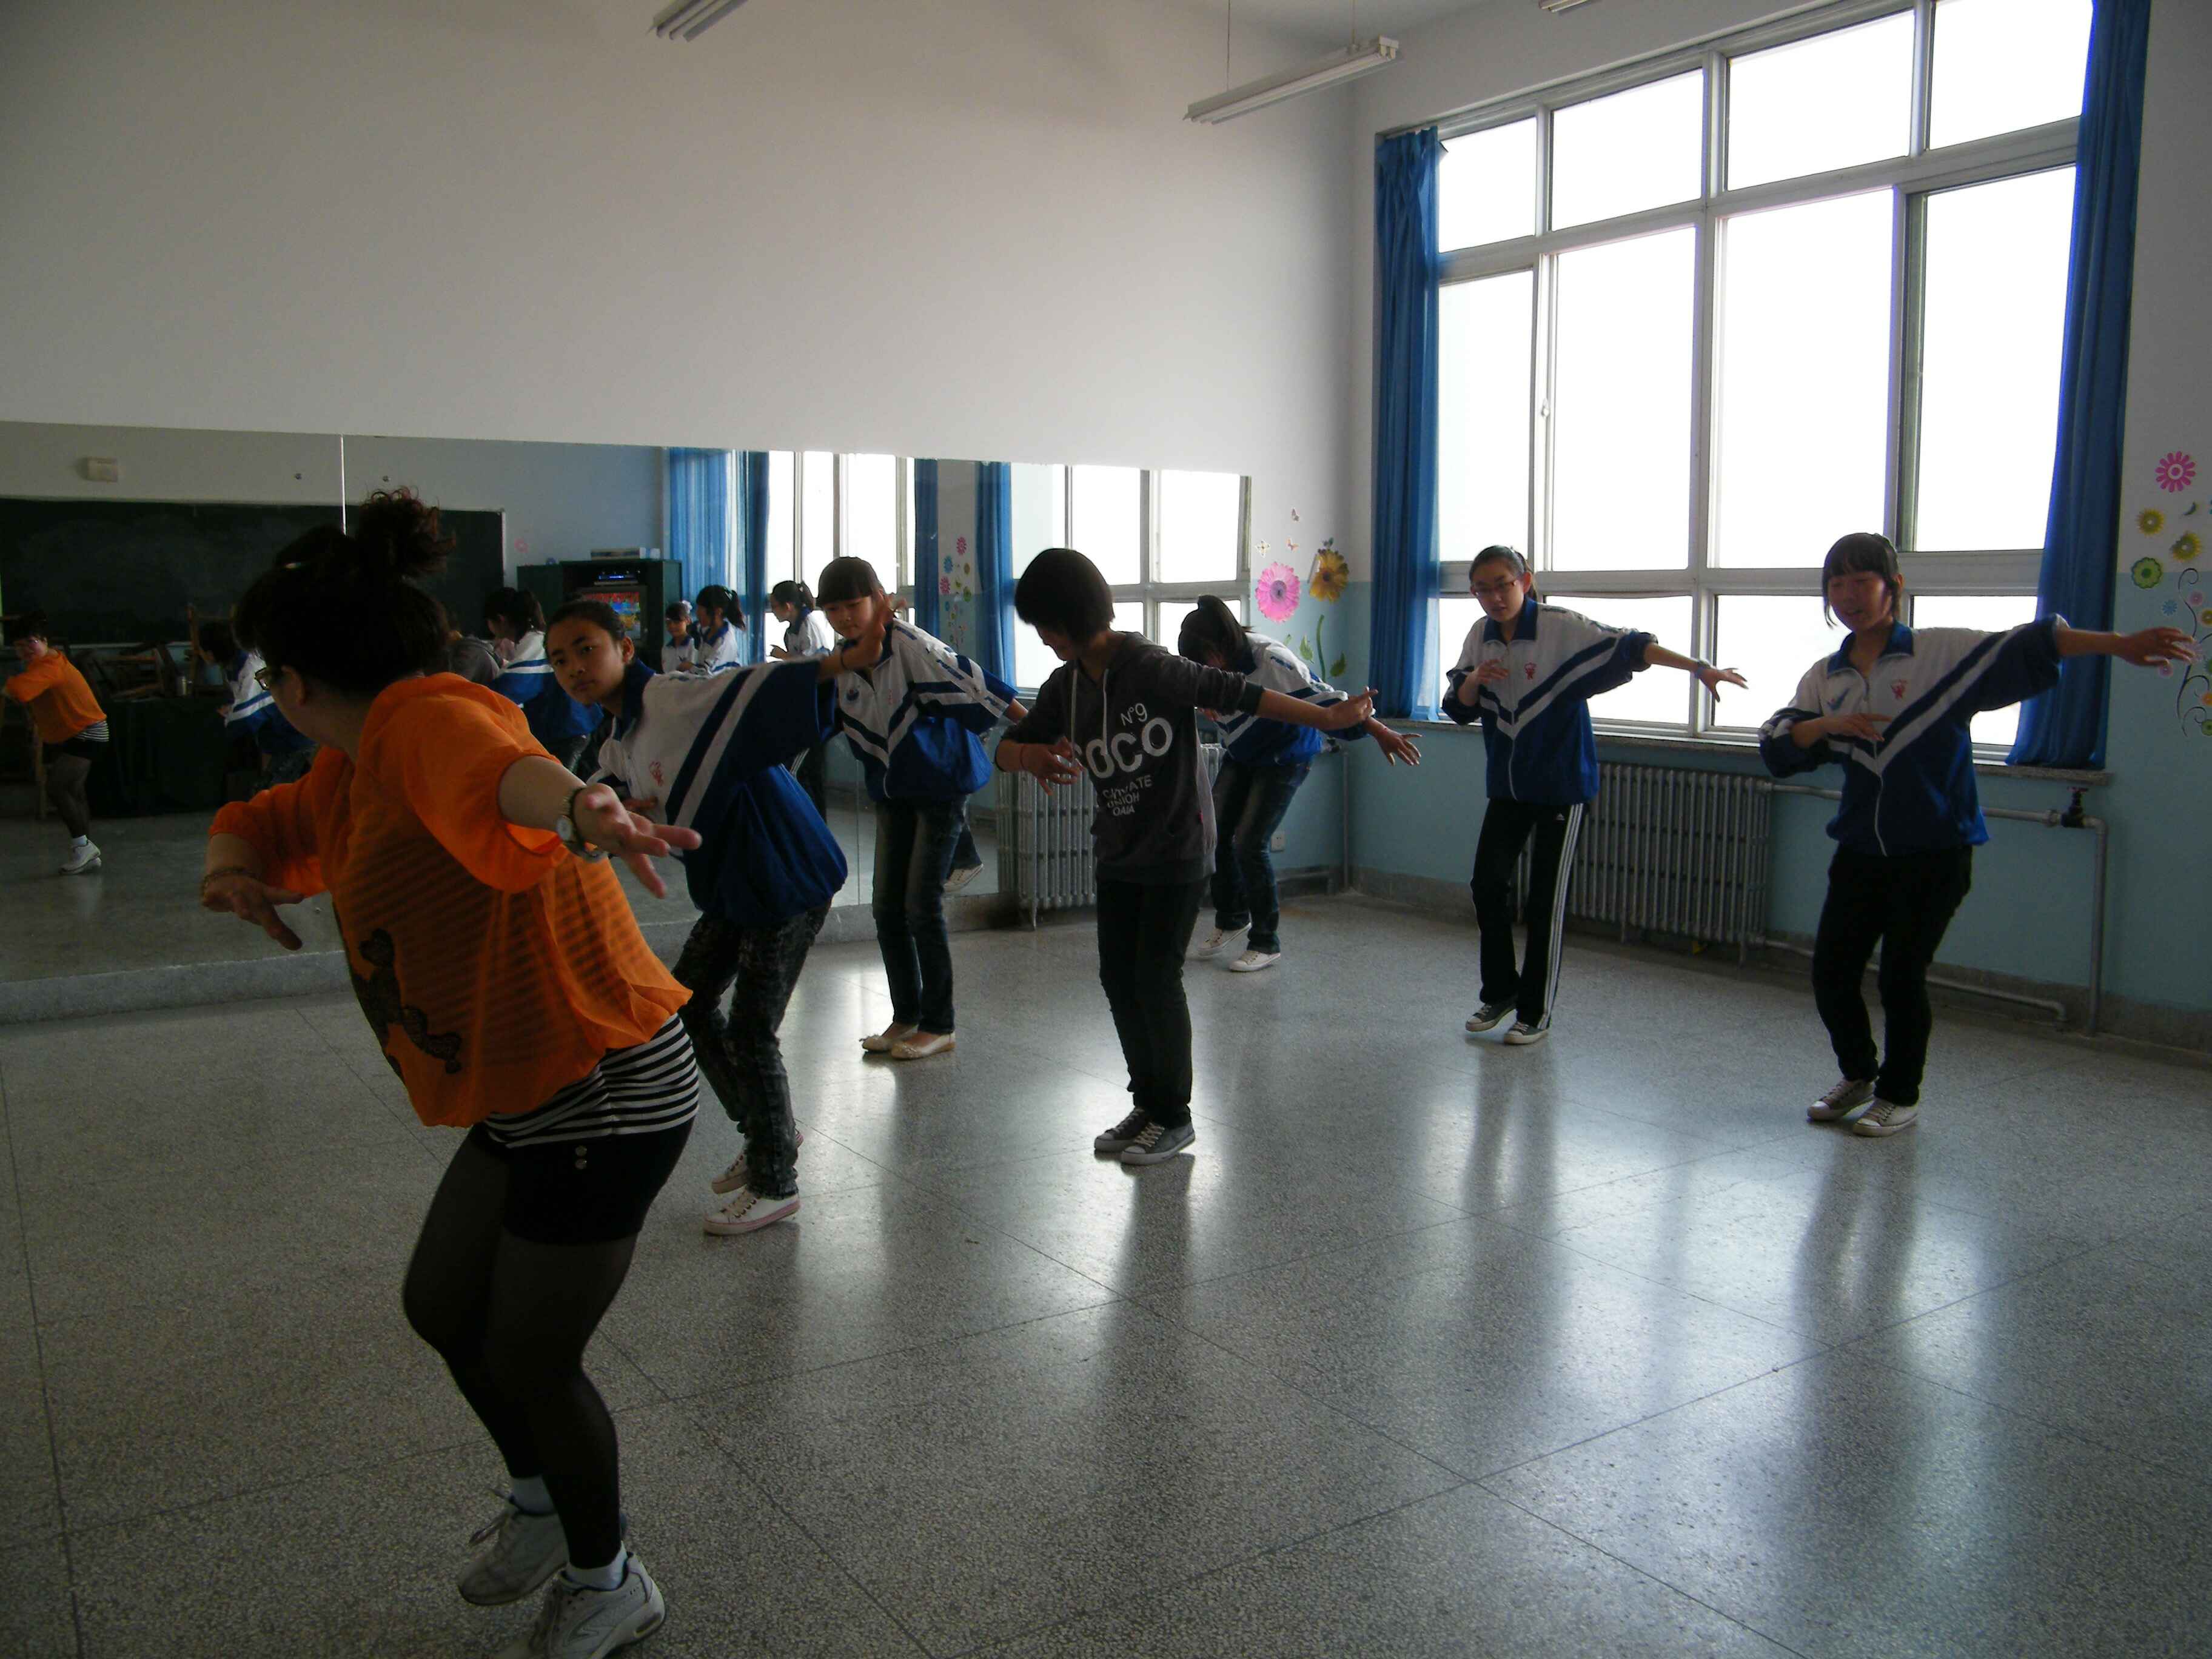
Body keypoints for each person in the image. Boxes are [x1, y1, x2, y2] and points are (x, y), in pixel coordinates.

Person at [199, 490, 697, 1658]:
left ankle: (609, 1576)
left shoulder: (426, 720)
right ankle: (540, 1504)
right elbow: (266, 821)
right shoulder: (353, 764)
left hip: (604, 1082)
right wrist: (231, 866)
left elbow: (503, 772)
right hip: (526, 1085)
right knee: (441, 1305)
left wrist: (583, 808)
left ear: (294, 681)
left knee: (530, 1352)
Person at [1760, 531, 2191, 1138]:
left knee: (1901, 977)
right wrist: (1826, 726)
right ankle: (1858, 1075)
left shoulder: (1940, 654)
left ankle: (1900, 1095)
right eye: (1837, 584)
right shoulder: (1825, 677)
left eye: (1862, 581)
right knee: (1831, 972)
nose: (1849, 595)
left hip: (1936, 851)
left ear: (1893, 587)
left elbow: (2035, 642)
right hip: (1860, 850)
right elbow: (1779, 740)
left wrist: (2120, 644)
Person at [997, 549, 1374, 1164]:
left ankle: (1174, 1116)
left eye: (1047, 625)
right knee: (1118, 978)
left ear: (1074, 615)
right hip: (1117, 852)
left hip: (1178, 849)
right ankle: (1148, 1103)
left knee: (1154, 977)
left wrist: (1327, 718)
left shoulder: (1150, 666)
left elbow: (1244, 694)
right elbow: (1007, 747)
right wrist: (1029, 756)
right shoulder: (1066, 688)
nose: (1043, 639)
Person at [547, 593, 885, 1235]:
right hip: (737, 886)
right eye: (560, 660)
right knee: (689, 1006)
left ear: (625, 649)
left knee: (751, 1030)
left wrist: (844, 660)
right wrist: (601, 817)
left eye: (587, 650)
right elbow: (602, 795)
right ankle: (768, 1130)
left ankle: (775, 1180)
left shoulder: (672, 697)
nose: (574, 669)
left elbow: (754, 686)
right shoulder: (618, 739)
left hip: (783, 872)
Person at [1444, 545, 1746, 1046]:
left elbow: (1633, 647)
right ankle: (1500, 991)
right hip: (1508, 788)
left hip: (1562, 788)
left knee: (1545, 902)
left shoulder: (1561, 627)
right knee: (1486, 885)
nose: (1494, 597)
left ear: (1526, 581)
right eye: (1482, 589)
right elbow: (1458, 707)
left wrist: (1698, 667)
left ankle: (1535, 1012)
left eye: (1503, 585)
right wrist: (1475, 678)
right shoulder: (1481, 635)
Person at [817, 555, 1022, 1061]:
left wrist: (1038, 731)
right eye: (833, 609)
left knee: (920, 905)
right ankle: (905, 1015)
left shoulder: (909, 644)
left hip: (940, 785)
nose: (844, 617)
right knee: (886, 907)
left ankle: (939, 1024)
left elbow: (979, 686)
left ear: (878, 598)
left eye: (853, 604)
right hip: (893, 791)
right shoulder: (842, 662)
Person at [1178, 594, 1422, 971]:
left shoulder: (1272, 660)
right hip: (1243, 753)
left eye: (1204, 660)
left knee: (1250, 843)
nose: (1202, 670)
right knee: (1215, 833)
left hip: (1285, 757)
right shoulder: (1210, 670)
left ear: (1221, 646)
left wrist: (1380, 731)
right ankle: (1232, 918)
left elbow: (1331, 702)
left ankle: (1265, 942)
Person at [5, 610, 109, 874]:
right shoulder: (42, 664)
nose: (25, 650)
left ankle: (83, 847)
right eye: (18, 646)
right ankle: (86, 850)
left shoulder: (50, 665)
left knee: (57, 788)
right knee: (74, 791)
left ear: (44, 640)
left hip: (88, 732)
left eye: (31, 643)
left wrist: (7, 689)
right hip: (80, 732)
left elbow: (20, 690)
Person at [486, 586, 603, 774]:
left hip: (567, 731)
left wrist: (473, 695)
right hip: (570, 727)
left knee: (560, 788)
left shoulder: (535, 642)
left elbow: (513, 687)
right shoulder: (537, 639)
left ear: (501, 620)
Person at [202, 618, 318, 788]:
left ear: (210, 653)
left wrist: (230, 717)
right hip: (283, 738)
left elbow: (246, 716)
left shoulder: (251, 667)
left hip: (295, 738)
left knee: (272, 793)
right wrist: (233, 709)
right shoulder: (234, 666)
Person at [768, 580, 837, 817]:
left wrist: (784, 656)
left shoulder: (810, 625)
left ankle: (815, 821)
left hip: (819, 705)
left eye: (775, 606)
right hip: (804, 702)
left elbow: (813, 665)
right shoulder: (791, 631)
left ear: (788, 606)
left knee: (803, 770)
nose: (773, 611)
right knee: (807, 772)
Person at [692, 585, 744, 673]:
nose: (697, 613)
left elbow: (707, 675)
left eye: (701, 609)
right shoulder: (705, 630)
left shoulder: (724, 642)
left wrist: (690, 667)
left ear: (718, 611)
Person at [660, 600, 695, 674]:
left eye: (677, 622)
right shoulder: (666, 649)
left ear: (687, 621)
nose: (672, 626)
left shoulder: (694, 646)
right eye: (669, 623)